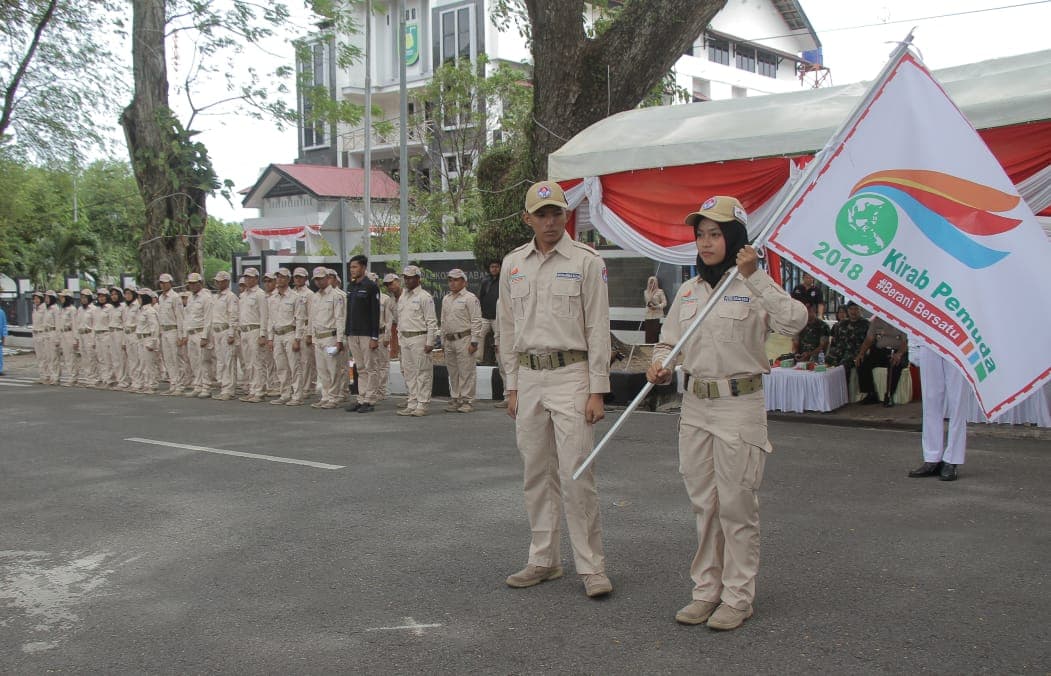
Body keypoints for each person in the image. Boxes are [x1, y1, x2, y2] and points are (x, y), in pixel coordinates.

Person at [646, 195, 806, 630]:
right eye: (700, 234)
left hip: (739, 406)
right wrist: (660, 365)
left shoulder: (754, 285)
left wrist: (756, 276)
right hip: (695, 406)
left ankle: (738, 597)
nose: (705, 242)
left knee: (736, 506)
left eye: (715, 234)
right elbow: (668, 342)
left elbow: (794, 321)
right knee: (705, 505)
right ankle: (706, 591)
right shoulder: (688, 291)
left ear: (735, 238)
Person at [497, 180, 614, 599]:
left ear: (567, 216)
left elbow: (598, 327)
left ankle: (591, 567)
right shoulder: (513, 264)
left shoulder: (586, 261)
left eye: (556, 213)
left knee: (576, 473)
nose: (550, 222)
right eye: (541, 215)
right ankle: (544, 559)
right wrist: (511, 385)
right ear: (527, 219)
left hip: (572, 375)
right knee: (536, 472)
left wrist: (598, 389)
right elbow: (506, 328)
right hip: (529, 378)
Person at [909, 344, 968, 482]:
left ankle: (952, 460)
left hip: (957, 342)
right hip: (929, 341)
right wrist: (913, 345)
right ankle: (932, 458)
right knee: (930, 401)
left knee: (957, 404)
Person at [395, 265, 438, 417]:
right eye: (405, 278)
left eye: (411, 277)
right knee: (409, 373)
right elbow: (401, 320)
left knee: (423, 372)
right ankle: (412, 402)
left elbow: (431, 321)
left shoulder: (424, 297)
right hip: (405, 338)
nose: (407, 280)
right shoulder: (403, 296)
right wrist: (399, 340)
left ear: (418, 279)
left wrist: (430, 342)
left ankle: (422, 404)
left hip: (419, 337)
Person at [440, 268, 482, 413]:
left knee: (466, 371)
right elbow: (443, 321)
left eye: (456, 280)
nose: (452, 283)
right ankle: (456, 398)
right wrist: (442, 341)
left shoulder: (470, 298)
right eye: (450, 280)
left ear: (464, 282)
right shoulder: (446, 299)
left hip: (464, 338)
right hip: (449, 340)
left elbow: (476, 320)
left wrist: (474, 341)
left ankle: (467, 400)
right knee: (453, 372)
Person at [343, 255, 381, 413]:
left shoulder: (371, 286)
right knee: (360, 368)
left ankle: (370, 400)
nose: (352, 270)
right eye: (351, 267)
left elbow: (375, 313)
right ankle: (361, 398)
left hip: (366, 334)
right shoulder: (351, 286)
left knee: (370, 367)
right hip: (353, 333)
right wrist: (347, 332)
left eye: (355, 267)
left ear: (363, 268)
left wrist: (374, 337)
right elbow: (349, 311)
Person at [307, 267, 346, 409]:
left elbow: (340, 318)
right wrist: (312, 337)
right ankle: (325, 396)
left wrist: (340, 340)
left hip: (331, 337)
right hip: (318, 337)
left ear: (328, 278)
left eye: (321, 278)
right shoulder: (315, 297)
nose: (318, 282)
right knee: (322, 369)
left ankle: (334, 397)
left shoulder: (336, 295)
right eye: (316, 279)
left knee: (333, 369)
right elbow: (312, 319)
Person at [855, 315, 909, 407]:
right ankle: (871, 394)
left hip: (897, 351)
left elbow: (905, 342)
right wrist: (861, 353)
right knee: (862, 362)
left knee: (894, 365)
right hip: (880, 351)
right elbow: (869, 339)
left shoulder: (902, 320)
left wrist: (899, 354)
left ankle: (889, 395)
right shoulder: (877, 321)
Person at [237, 267, 269, 403]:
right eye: (246, 277)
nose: (247, 279)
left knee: (257, 362)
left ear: (256, 279)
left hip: (255, 330)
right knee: (248, 362)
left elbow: (264, 315)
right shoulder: (243, 295)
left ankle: (259, 391)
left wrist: (262, 334)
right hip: (244, 331)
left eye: (250, 277)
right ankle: (252, 389)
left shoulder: (260, 294)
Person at [209, 271, 239, 401]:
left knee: (228, 361)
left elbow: (233, 315)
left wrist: (232, 333)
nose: (218, 283)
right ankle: (223, 387)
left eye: (221, 281)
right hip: (217, 331)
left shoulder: (230, 296)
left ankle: (229, 390)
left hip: (226, 330)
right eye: (217, 281)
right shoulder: (216, 297)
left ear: (227, 281)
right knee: (221, 361)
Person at [184, 272, 214, 398]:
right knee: (194, 361)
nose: (192, 285)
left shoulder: (206, 297)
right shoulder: (190, 298)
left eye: (194, 283)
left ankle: (206, 387)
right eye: (190, 283)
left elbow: (208, 318)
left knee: (204, 361)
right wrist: (185, 334)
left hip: (201, 332)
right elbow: (188, 316)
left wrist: (205, 336)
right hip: (191, 332)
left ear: (200, 283)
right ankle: (198, 385)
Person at [826, 302, 869, 390]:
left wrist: (861, 353)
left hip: (855, 352)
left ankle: (843, 391)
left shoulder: (866, 324)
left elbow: (869, 342)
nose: (853, 312)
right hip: (840, 350)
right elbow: (834, 342)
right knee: (827, 360)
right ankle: (829, 389)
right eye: (851, 309)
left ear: (860, 310)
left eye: (856, 309)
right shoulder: (841, 324)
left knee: (843, 365)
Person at [156, 273, 186, 395]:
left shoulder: (175, 297)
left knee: (176, 359)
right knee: (168, 359)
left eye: (165, 282)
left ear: (170, 283)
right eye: (161, 283)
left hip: (173, 330)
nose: (163, 285)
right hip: (164, 331)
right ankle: (173, 383)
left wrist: (181, 335)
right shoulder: (160, 298)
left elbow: (180, 317)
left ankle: (180, 385)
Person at [291, 267, 316, 404]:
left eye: (300, 277)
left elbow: (311, 315)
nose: (298, 279)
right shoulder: (291, 293)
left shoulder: (309, 294)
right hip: (293, 328)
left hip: (305, 327)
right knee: (294, 361)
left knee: (305, 361)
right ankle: (296, 386)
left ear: (306, 278)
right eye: (296, 277)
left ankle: (306, 388)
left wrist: (310, 334)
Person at [371, 271, 394, 401]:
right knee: (370, 364)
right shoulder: (364, 298)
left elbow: (389, 320)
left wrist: (387, 336)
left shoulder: (385, 299)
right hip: (368, 335)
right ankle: (372, 390)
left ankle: (381, 390)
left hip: (381, 333)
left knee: (383, 364)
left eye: (374, 281)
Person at [136, 287, 161, 393]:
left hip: (148, 338)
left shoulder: (150, 311)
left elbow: (154, 327)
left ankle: (152, 384)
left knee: (150, 363)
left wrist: (152, 342)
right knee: (144, 363)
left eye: (139, 297)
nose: (138, 300)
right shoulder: (141, 310)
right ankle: (147, 383)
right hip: (141, 339)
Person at [58, 290, 78, 386]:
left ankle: (73, 377)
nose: (61, 299)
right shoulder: (62, 309)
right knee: (66, 357)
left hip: (70, 333)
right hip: (63, 333)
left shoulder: (72, 309)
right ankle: (70, 376)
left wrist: (75, 339)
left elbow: (74, 324)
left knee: (71, 356)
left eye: (62, 297)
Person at [43, 290, 61, 385]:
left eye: (48, 297)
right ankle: (50, 375)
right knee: (48, 356)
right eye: (45, 297)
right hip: (46, 333)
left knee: (54, 357)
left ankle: (56, 377)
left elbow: (58, 324)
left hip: (53, 332)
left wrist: (58, 338)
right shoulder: (47, 309)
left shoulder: (55, 309)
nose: (46, 299)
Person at [643, 275, 667, 343]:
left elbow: (664, 303)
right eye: (650, 283)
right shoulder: (646, 292)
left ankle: (654, 347)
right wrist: (650, 304)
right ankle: (648, 347)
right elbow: (647, 302)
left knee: (655, 335)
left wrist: (657, 306)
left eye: (653, 283)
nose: (652, 285)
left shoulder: (660, 291)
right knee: (648, 335)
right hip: (648, 316)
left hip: (657, 316)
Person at [31, 291, 47, 382]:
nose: (35, 300)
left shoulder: (44, 308)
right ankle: (42, 376)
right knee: (39, 356)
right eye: (34, 299)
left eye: (37, 298)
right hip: (36, 334)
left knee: (45, 356)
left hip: (42, 334)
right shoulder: (35, 309)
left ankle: (47, 375)